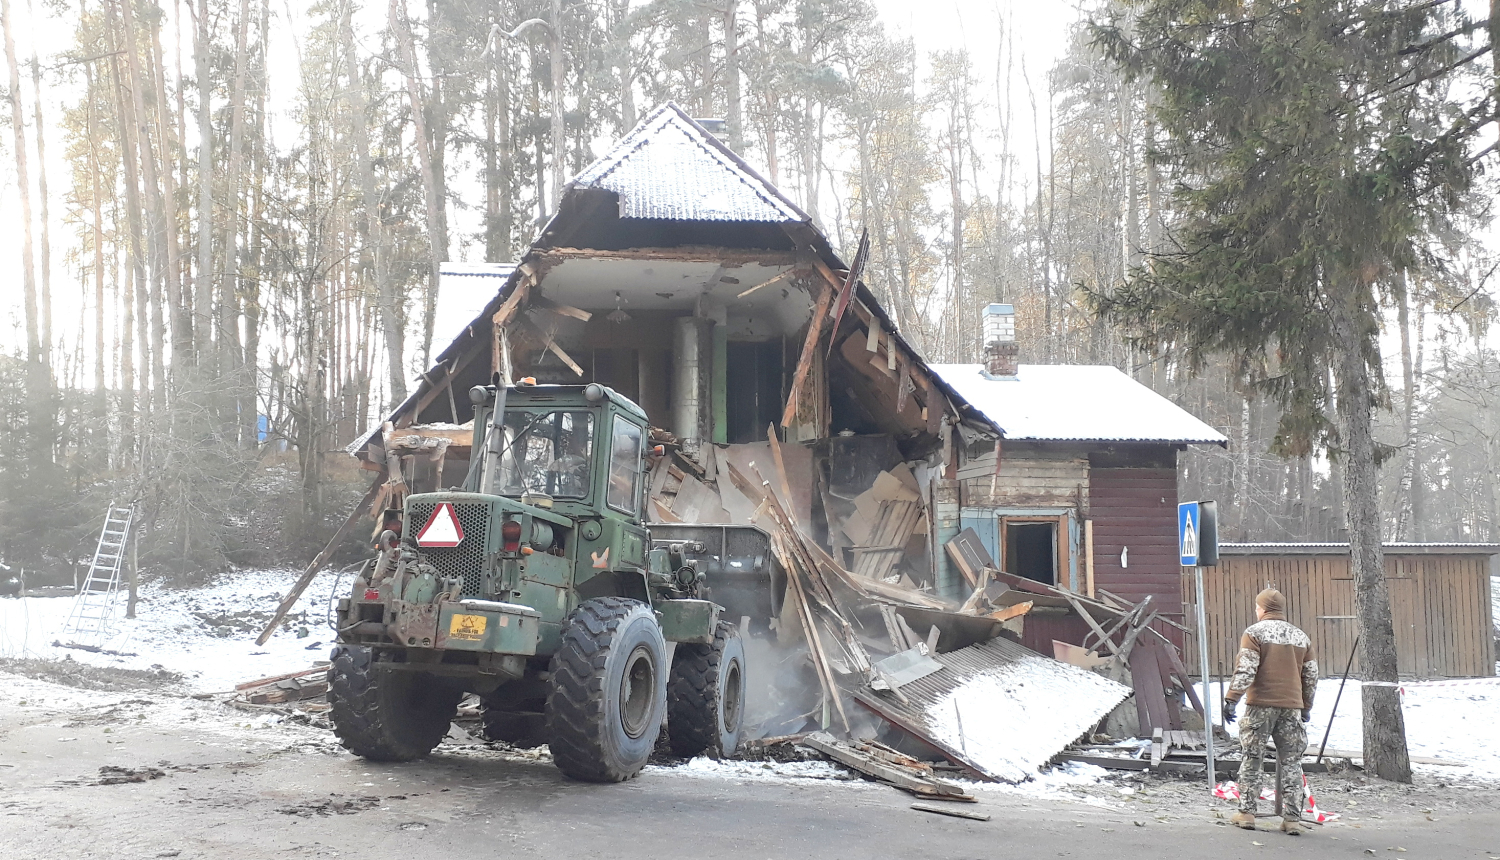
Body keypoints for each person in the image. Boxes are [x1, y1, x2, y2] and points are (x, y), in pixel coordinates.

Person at [1222, 587, 1319, 835]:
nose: (1256, 610)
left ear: (1262, 608)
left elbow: (1246, 668)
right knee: (1291, 763)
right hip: (1291, 709)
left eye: (1257, 607)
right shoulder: (1301, 637)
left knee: (1252, 759)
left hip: (1259, 707)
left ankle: (1247, 813)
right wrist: (1306, 706)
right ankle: (1292, 818)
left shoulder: (1254, 633)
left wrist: (1232, 698)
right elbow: (1311, 675)